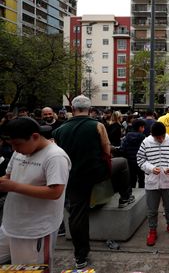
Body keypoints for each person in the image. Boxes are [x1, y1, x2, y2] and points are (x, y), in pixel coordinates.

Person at [53, 95, 131, 269]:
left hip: (72, 176)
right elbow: (107, 150)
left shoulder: (59, 129)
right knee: (123, 163)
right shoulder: (97, 125)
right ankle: (125, 196)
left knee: (77, 215)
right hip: (96, 173)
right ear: (90, 110)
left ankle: (80, 255)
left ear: (73, 109)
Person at [0, 117, 70, 270]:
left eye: (17, 144)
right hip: (10, 224)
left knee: (28, 269)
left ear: (35, 137)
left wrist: (14, 186)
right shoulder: (19, 152)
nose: (14, 149)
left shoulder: (55, 156)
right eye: (11, 145)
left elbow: (55, 192)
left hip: (35, 230)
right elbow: (8, 176)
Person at [136, 122, 169, 246]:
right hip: (152, 181)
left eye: (162, 137)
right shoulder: (146, 142)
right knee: (152, 209)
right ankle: (152, 230)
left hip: (167, 180)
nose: (160, 139)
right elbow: (140, 159)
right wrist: (150, 168)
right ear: (152, 135)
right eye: (157, 138)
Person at [121, 119, 146, 188]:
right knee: (141, 179)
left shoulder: (127, 136)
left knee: (132, 179)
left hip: (130, 161)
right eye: (143, 127)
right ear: (140, 127)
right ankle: (141, 192)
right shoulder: (143, 137)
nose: (144, 129)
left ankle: (132, 193)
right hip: (140, 161)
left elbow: (123, 149)